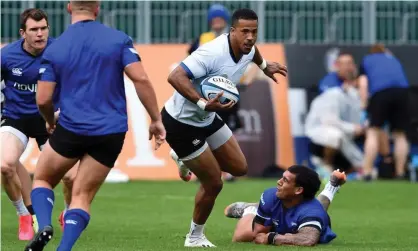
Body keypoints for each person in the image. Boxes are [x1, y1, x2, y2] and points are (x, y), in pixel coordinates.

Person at [24, 1, 165, 251]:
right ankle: (64, 249)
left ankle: (44, 225)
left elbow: (43, 98)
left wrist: (48, 120)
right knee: (82, 196)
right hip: (111, 132)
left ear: (69, 8)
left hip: (72, 128)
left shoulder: (56, 48)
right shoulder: (118, 39)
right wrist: (155, 119)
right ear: (97, 8)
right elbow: (141, 78)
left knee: (43, 179)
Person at [163, 8, 288, 247]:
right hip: (181, 122)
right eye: (244, 32)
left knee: (239, 168)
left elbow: (252, 51)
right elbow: (175, 76)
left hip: (207, 118)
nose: (250, 37)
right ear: (232, 32)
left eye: (254, 32)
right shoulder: (211, 53)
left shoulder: (246, 46)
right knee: (214, 182)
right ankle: (194, 236)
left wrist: (263, 66)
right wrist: (201, 103)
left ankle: (183, 157)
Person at [1, 8, 54, 240]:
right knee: (4, 165)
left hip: (49, 120)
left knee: (72, 176)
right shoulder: (7, 56)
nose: (40, 34)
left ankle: (71, 209)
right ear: (23, 33)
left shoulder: (59, 52)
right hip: (16, 119)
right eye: (34, 29)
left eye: (43, 28)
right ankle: (24, 215)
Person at [224, 166, 346, 246]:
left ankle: (331, 187)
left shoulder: (312, 213)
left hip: (307, 215)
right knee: (242, 236)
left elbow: (308, 239)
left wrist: (272, 238)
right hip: (286, 209)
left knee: (317, 210)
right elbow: (258, 235)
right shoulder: (271, 195)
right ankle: (251, 210)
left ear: (298, 190)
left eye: (285, 180)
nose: (278, 182)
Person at [305, 54, 365, 177]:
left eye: (350, 64)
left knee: (361, 163)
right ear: (337, 66)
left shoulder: (353, 90)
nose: (349, 68)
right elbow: (329, 121)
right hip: (320, 132)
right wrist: (354, 128)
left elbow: (357, 114)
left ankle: (354, 170)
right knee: (335, 136)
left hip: (345, 133)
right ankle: (325, 166)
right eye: (345, 64)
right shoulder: (330, 86)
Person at [359, 44, 410, 181]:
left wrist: (364, 105)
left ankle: (367, 172)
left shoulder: (367, 60)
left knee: (373, 131)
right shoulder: (393, 59)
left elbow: (363, 83)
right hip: (403, 93)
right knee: (400, 134)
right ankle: (400, 173)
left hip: (380, 93)